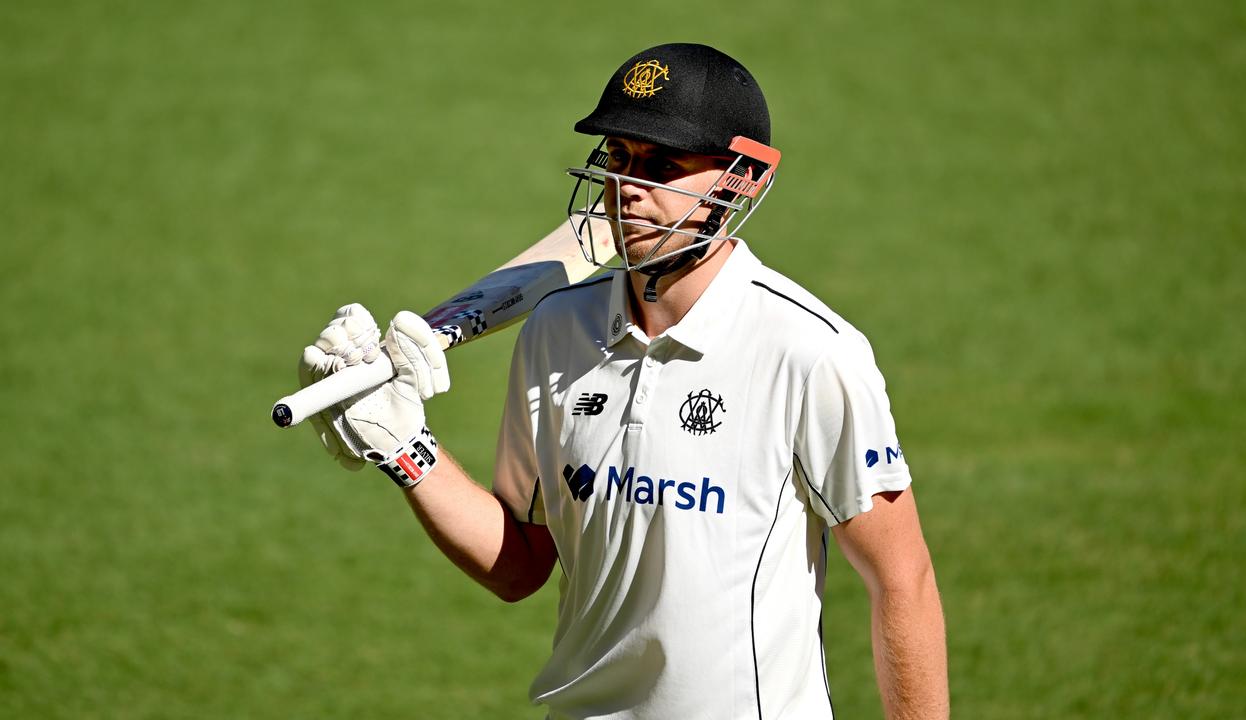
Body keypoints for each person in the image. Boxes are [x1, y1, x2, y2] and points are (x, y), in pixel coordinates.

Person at [299, 43, 949, 720]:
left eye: (664, 166)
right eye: (620, 159)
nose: (629, 187)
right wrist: (407, 450)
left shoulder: (809, 352)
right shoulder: (554, 333)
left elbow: (902, 578)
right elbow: (520, 565)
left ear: (742, 179)